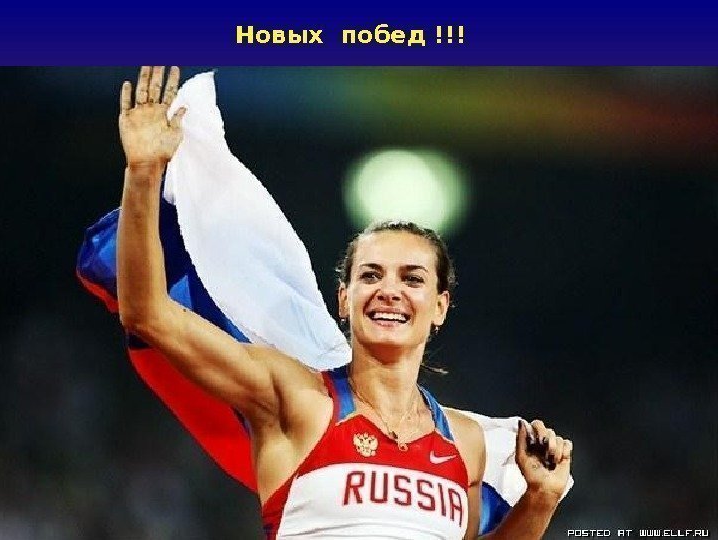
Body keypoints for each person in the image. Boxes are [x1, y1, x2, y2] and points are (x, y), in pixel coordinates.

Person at [114, 65, 572, 539]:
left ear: (439, 306)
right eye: (371, 275)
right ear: (344, 299)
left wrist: (539, 500)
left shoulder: (467, 443)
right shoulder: (295, 399)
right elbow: (148, 313)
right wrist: (143, 173)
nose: (389, 290)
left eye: (412, 279)